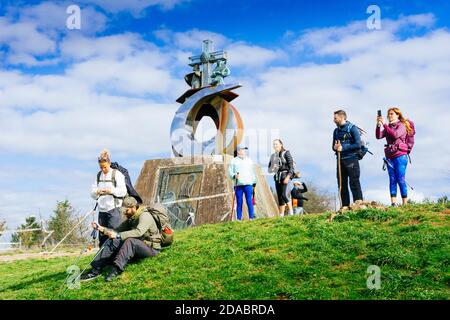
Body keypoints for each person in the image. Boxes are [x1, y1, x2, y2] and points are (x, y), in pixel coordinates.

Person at [81, 196, 162, 282]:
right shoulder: (132, 218)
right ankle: (95, 270)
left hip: (151, 249)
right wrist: (101, 229)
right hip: (138, 248)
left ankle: (116, 269)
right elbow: (116, 231)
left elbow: (139, 232)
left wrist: (118, 236)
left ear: (134, 207)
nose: (125, 213)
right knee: (114, 240)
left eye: (126, 210)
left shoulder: (145, 215)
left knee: (130, 241)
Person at [376, 107, 412, 206]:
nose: (389, 116)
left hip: (400, 155)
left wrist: (384, 124)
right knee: (392, 179)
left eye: (391, 114)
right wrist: (378, 125)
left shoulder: (402, 125)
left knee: (400, 179)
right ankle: (393, 203)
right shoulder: (388, 127)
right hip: (389, 156)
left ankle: (405, 204)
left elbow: (395, 135)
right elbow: (378, 136)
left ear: (397, 115)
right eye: (388, 114)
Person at [91, 149, 127, 246]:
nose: (103, 169)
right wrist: (97, 191)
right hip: (102, 210)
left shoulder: (117, 174)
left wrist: (111, 191)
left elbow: (123, 191)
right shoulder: (98, 176)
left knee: (113, 234)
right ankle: (102, 259)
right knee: (102, 236)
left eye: (105, 167)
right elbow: (92, 193)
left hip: (114, 210)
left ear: (109, 163)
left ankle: (115, 257)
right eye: (101, 167)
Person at [332, 110, 364, 208]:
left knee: (354, 182)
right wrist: (335, 147)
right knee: (341, 184)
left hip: (352, 159)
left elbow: (358, 144)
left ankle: (358, 204)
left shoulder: (352, 128)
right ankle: (345, 206)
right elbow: (333, 146)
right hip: (340, 160)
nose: (333, 120)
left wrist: (344, 148)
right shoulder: (336, 131)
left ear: (342, 117)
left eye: (335, 118)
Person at [228, 145, 256, 220]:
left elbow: (252, 172)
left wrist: (254, 182)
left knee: (249, 201)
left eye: (244, 149)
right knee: (239, 202)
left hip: (248, 184)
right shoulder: (233, 160)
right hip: (238, 184)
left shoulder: (249, 160)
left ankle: (251, 218)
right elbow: (230, 172)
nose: (244, 151)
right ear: (238, 151)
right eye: (243, 149)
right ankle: (239, 219)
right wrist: (234, 176)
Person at [268, 139, 295, 216]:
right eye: (274, 144)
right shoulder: (273, 156)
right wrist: (273, 168)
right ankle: (281, 215)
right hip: (277, 177)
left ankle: (291, 211)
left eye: (276, 144)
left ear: (281, 144)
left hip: (285, 176)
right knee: (280, 197)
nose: (275, 146)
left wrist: (288, 177)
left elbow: (291, 167)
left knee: (284, 195)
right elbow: (269, 169)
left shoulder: (286, 153)